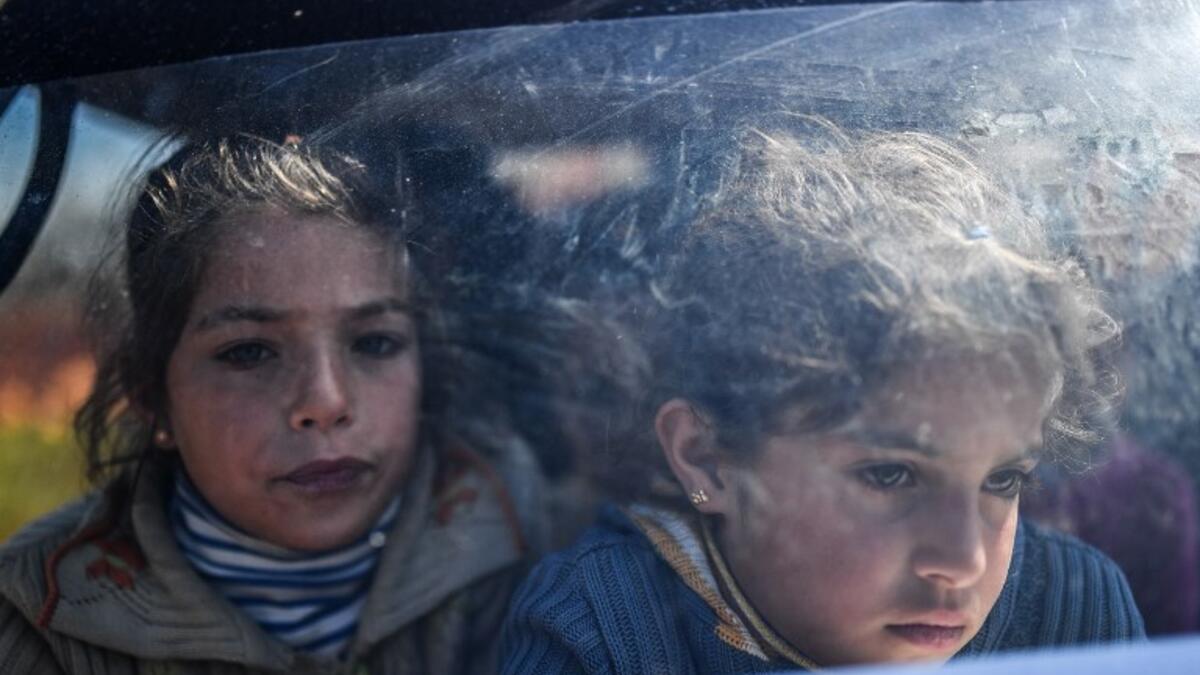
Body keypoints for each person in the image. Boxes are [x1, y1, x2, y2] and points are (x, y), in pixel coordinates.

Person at [500, 124, 1146, 673]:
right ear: (708, 457)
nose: (962, 560)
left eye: (1003, 479)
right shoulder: (601, 631)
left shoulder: (1076, 605)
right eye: (890, 473)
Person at [0, 136, 535, 674]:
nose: (326, 402)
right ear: (153, 397)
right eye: (249, 352)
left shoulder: (540, 553)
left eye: (374, 342)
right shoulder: (36, 623)